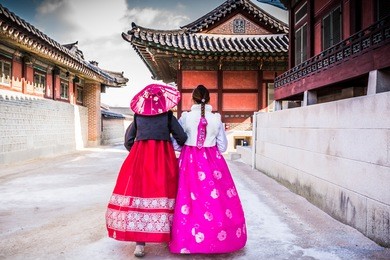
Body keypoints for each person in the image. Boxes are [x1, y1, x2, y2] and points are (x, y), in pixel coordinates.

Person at [105, 83, 187, 258]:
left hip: (140, 159)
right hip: (163, 160)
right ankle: (167, 237)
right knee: (165, 194)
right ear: (163, 100)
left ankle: (140, 245)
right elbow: (182, 137)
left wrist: (137, 152)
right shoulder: (168, 116)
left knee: (140, 196)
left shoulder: (137, 116)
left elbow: (128, 140)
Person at [169, 85, 247, 254]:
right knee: (215, 200)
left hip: (189, 161)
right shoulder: (216, 118)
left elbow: (176, 142)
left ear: (193, 99)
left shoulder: (186, 117)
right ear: (209, 99)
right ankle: (219, 239)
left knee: (188, 199)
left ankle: (188, 241)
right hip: (212, 161)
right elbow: (223, 146)